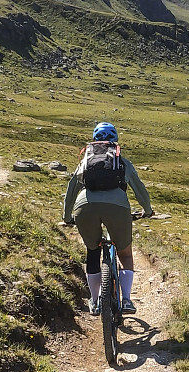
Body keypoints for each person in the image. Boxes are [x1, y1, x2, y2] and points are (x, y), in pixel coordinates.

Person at [62, 122, 153, 315]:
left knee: (93, 251)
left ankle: (95, 302)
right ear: (115, 141)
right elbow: (139, 190)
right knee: (125, 254)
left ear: (95, 141)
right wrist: (147, 210)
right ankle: (127, 300)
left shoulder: (85, 161)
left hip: (84, 207)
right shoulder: (122, 162)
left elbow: (72, 189)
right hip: (117, 207)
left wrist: (67, 216)